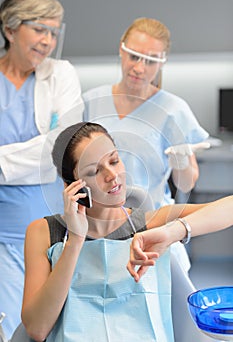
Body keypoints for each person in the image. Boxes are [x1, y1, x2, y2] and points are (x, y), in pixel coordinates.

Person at [21, 121, 233, 342]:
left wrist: (174, 231)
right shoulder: (44, 233)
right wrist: (75, 239)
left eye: (114, 160)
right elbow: (37, 328)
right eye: (94, 171)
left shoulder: (151, 222)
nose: (112, 175)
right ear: (73, 187)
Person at [0, 0, 83, 338]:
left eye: (54, 32)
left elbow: (59, 148)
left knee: (47, 325)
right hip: (4, 231)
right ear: (10, 29)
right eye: (39, 30)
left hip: (48, 230)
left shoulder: (60, 74)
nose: (48, 41)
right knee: (8, 327)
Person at [83, 17, 209, 210]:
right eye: (134, 57)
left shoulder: (174, 110)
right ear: (121, 49)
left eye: (150, 61)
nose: (139, 68)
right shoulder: (90, 102)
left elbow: (186, 185)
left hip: (151, 219)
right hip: (98, 221)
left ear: (161, 63)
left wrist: (181, 162)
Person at [127, 195, 233, 282]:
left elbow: (229, 207)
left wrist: (172, 232)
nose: (113, 176)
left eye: (114, 167)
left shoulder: (137, 220)